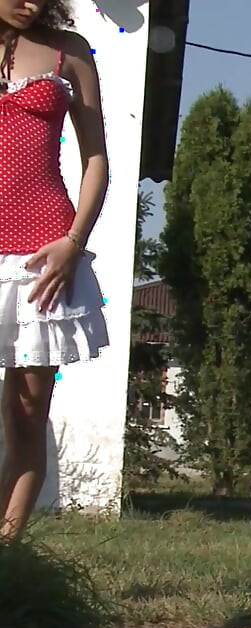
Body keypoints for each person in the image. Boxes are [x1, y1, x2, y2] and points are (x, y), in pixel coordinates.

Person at [0, 0, 108, 539]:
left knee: (27, 414)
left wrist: (72, 243)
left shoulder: (71, 52)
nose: (32, 4)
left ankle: (7, 553)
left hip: (41, 258)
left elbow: (96, 160)